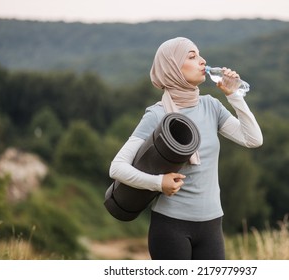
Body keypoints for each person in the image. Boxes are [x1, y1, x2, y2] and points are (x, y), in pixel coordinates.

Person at [109, 37, 263, 260]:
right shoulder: (158, 114)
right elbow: (117, 168)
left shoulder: (212, 106)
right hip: (170, 227)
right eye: (192, 57)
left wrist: (234, 95)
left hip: (212, 225)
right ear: (172, 67)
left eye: (200, 55)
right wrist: (158, 183)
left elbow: (253, 139)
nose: (202, 61)